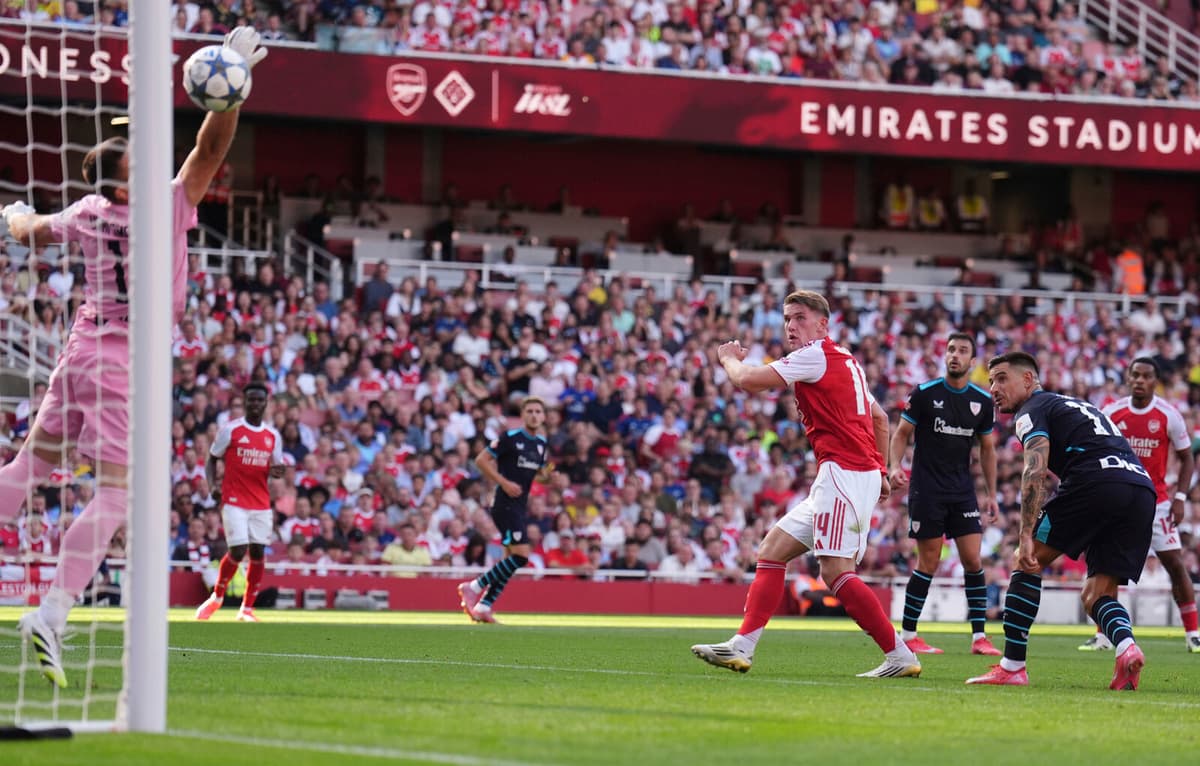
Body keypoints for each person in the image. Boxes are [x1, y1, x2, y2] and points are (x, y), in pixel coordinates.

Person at [0, 27, 269, 687]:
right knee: (119, 495)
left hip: (81, 349)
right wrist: (229, 87)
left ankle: (51, 610)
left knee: (30, 464)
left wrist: (13, 213)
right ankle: (52, 614)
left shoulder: (88, 210)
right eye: (137, 161)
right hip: (124, 360)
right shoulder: (168, 203)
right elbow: (212, 145)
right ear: (125, 183)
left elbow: (31, 231)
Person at [690, 290, 922, 678]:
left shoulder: (814, 356)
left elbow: (748, 380)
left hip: (842, 473)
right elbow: (879, 418)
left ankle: (899, 655)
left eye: (800, 318)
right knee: (772, 549)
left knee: (835, 571)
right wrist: (880, 472)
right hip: (849, 473)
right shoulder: (846, 360)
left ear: (822, 325)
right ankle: (742, 645)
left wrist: (728, 358)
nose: (791, 326)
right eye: (786, 319)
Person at [967, 352, 1155, 689]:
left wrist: (1026, 534)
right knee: (1096, 593)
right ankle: (1127, 648)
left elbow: (1035, 467)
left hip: (1095, 482)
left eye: (1001, 378)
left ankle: (1012, 666)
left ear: (1028, 380)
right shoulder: (1073, 405)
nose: (993, 387)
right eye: (991, 380)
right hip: (1139, 488)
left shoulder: (1032, 409)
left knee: (1027, 560)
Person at [888, 332, 1002, 656]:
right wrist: (894, 466)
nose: (955, 355)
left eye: (962, 351)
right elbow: (901, 434)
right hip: (927, 489)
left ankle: (979, 638)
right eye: (951, 349)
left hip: (962, 491)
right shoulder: (924, 394)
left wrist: (991, 493)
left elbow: (988, 450)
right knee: (928, 561)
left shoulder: (981, 402)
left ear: (972, 361)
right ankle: (909, 635)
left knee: (973, 560)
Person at [1079, 358, 1198, 653]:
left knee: (1174, 564)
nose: (1140, 381)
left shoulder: (1169, 415)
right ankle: (1104, 635)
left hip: (1157, 503)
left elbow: (1187, 458)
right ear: (1128, 378)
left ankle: (1193, 633)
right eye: (1135, 375)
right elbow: (1095, 450)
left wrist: (1180, 497)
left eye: (1146, 376)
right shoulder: (1112, 412)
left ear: (1155, 381)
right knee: (1107, 567)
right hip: (1118, 502)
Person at [195, 382, 285, 622]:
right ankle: (217, 597)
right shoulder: (231, 430)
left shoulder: (272, 436)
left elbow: (277, 466)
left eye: (259, 400)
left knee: (258, 552)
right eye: (251, 399)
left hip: (261, 502)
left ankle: (246, 608)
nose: (255, 403)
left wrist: (278, 472)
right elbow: (212, 459)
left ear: (266, 403)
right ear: (245, 402)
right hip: (234, 499)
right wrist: (214, 486)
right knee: (238, 549)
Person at [457, 397, 550, 623]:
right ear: (523, 414)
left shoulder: (540, 445)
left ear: (544, 416)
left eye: (538, 411)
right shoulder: (510, 438)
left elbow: (536, 473)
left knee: (509, 560)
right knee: (521, 556)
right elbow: (481, 460)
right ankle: (473, 587)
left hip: (519, 505)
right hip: (504, 503)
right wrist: (503, 482)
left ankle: (482, 606)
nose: (534, 415)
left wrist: (547, 477)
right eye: (530, 411)